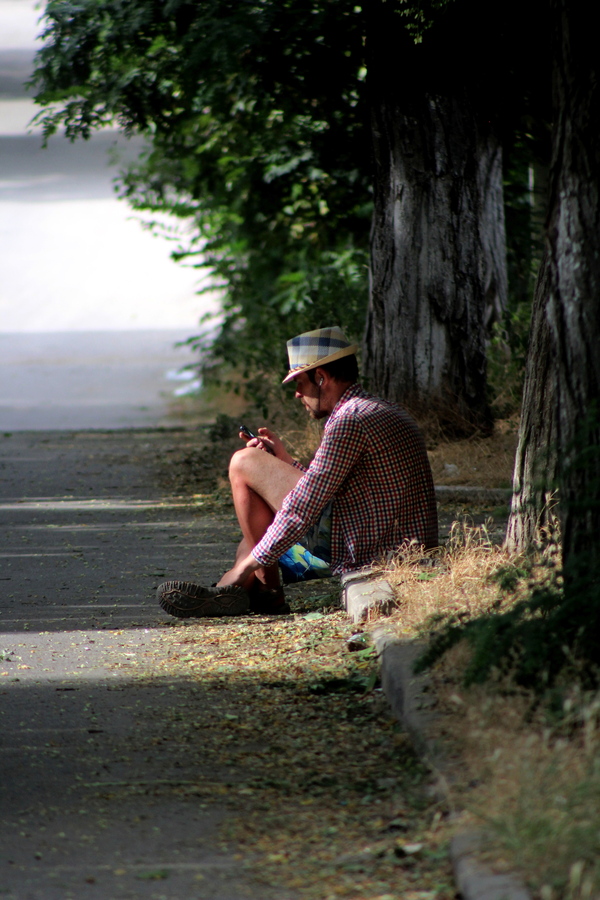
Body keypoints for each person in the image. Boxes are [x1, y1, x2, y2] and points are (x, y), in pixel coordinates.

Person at [157, 326, 438, 618]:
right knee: (256, 530)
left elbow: (305, 504)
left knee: (244, 462)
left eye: (300, 382)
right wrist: (285, 459)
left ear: (321, 377)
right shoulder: (377, 409)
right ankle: (238, 593)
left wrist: (249, 565)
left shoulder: (349, 420)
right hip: (389, 540)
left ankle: (253, 589)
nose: (296, 393)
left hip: (367, 549)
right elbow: (333, 488)